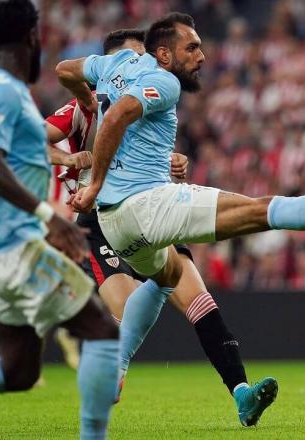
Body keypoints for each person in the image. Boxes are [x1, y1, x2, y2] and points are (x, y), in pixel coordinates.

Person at [56, 12, 305, 425]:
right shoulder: (164, 80)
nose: (202, 55)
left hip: (116, 223)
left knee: (168, 278)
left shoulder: (110, 66)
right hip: (145, 205)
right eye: (191, 47)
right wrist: (95, 179)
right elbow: (121, 115)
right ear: (163, 54)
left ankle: (119, 368)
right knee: (264, 211)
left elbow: (65, 70)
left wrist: (88, 101)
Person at [48, 28, 272, 425]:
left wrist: (175, 160)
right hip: (101, 221)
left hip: (151, 208)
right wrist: (70, 160)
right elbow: (30, 138)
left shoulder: (148, 97)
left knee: (199, 300)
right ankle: (106, 378)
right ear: (108, 68)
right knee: (127, 306)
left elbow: (146, 152)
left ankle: (242, 393)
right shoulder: (84, 108)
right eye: (134, 58)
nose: (143, 66)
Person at [0, 1, 119, 439]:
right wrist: (45, 216)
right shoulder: (0, 90)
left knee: (16, 372)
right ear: (33, 37)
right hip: (13, 247)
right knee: (102, 332)